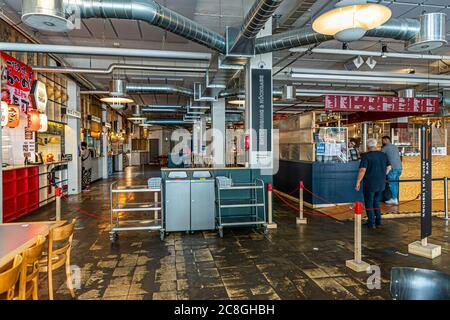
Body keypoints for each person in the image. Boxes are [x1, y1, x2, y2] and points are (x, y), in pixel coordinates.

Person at [355, 138, 392, 229]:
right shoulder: (383, 155)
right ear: (375, 145)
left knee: (369, 202)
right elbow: (389, 167)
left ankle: (371, 223)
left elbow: (362, 170)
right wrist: (383, 175)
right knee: (376, 202)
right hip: (381, 183)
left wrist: (358, 182)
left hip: (370, 183)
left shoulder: (366, 156)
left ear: (368, 146)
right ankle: (378, 221)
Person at [381, 136, 402, 205]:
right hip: (399, 167)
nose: (382, 142)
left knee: (392, 184)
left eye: (383, 140)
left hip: (392, 168)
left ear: (387, 140)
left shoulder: (386, 147)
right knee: (395, 183)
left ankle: (394, 199)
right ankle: (394, 198)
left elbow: (380, 155)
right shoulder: (395, 146)